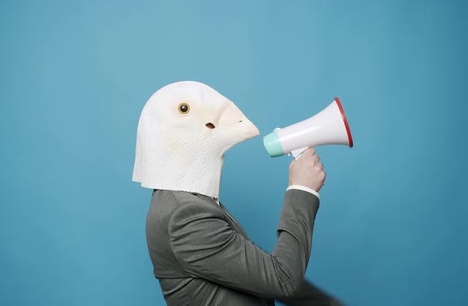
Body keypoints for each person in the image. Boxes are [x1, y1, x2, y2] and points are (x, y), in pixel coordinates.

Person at [134, 81, 341, 305]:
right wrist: (302, 189)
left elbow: (257, 271)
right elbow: (282, 279)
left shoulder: (190, 202)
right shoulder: (185, 216)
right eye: (183, 109)